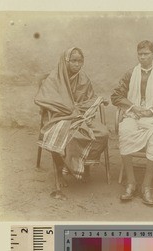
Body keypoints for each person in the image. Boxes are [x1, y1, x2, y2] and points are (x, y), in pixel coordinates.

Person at [35, 47, 109, 199]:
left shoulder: (84, 79)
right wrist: (68, 108)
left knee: (102, 133)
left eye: (80, 61)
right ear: (66, 61)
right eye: (73, 60)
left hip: (80, 117)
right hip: (58, 116)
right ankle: (62, 170)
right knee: (60, 135)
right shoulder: (54, 78)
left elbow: (89, 99)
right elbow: (44, 99)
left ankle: (85, 166)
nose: (77, 64)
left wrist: (88, 106)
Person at [111, 40, 153, 206]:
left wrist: (151, 111)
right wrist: (133, 107)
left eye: (146, 54)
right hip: (133, 115)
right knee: (125, 131)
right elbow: (116, 96)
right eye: (140, 54)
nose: (142, 57)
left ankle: (146, 186)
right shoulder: (130, 74)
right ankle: (131, 183)